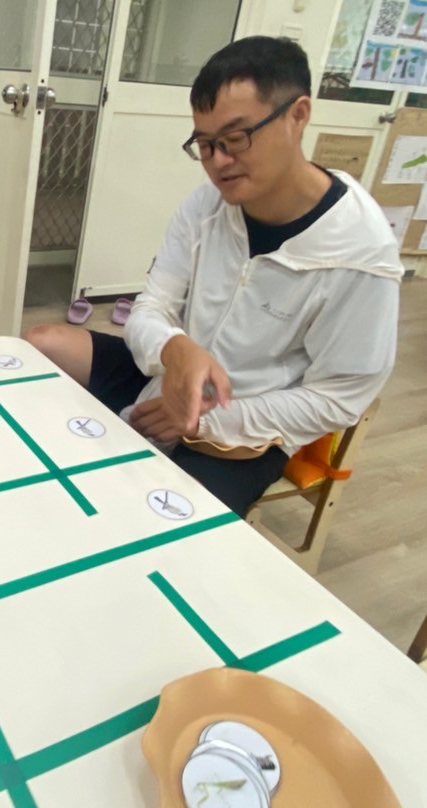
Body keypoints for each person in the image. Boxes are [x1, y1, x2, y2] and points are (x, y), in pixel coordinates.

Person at [27, 36, 402, 516]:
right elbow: (151, 307)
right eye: (204, 145)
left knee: (151, 519)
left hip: (246, 423)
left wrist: (204, 421)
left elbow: (340, 399)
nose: (219, 161)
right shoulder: (207, 205)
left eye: (236, 137)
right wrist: (175, 348)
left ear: (298, 115)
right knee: (41, 345)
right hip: (167, 379)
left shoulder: (360, 253)